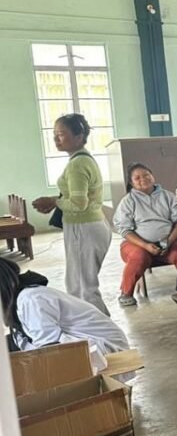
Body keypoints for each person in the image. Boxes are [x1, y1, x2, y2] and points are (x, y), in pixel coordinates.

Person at [31, 114, 112, 315]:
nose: (55, 139)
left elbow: (79, 204)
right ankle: (97, 327)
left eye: (60, 134)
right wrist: (55, 200)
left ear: (79, 136)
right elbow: (79, 197)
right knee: (80, 284)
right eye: (54, 134)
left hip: (84, 228)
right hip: (89, 225)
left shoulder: (78, 164)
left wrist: (54, 202)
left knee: (83, 288)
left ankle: (102, 330)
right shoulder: (81, 159)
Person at [0, 257, 129, 355]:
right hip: (84, 348)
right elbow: (20, 341)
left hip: (107, 348)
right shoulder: (17, 301)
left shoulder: (30, 300)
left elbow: (49, 349)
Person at [112, 163, 177, 306]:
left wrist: (169, 241)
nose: (143, 179)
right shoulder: (128, 201)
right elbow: (125, 230)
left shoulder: (168, 196)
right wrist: (145, 245)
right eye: (137, 178)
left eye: (146, 175)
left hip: (167, 242)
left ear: (152, 176)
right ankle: (126, 293)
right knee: (139, 257)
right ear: (131, 183)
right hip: (136, 244)